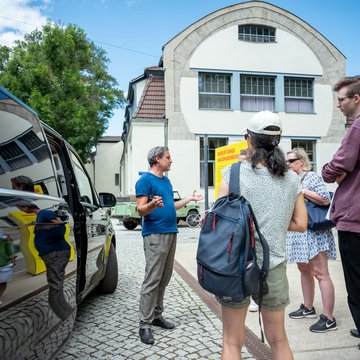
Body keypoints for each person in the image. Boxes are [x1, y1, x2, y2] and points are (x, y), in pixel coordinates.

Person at [217, 110, 307, 360]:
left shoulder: (232, 174)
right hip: (274, 267)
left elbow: (223, 224)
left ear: (249, 139)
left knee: (232, 342)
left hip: (236, 266)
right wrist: (275, 224)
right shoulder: (291, 178)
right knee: (278, 340)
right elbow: (301, 223)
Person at [135, 146, 204, 345]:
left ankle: (156, 316)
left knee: (164, 278)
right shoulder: (145, 181)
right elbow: (141, 210)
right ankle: (144, 324)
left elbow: (171, 206)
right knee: (152, 279)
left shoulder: (165, 181)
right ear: (157, 159)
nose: (171, 160)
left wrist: (189, 199)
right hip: (155, 234)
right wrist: (152, 205)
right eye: (168, 157)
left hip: (170, 232)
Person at [322, 76, 360, 344]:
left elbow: (332, 169)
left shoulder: (357, 127)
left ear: (356, 99)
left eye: (341, 100)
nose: (339, 106)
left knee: (356, 285)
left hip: (354, 219)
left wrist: (332, 171)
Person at [286, 148, 337, 333]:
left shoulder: (311, 177)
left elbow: (325, 199)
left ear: (301, 161)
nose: (288, 164)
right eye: (287, 162)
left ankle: (329, 318)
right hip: (299, 233)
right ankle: (308, 308)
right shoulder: (291, 179)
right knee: (303, 270)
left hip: (314, 233)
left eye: (291, 161)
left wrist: (302, 190)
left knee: (321, 273)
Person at [17, 203, 73, 321]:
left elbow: (57, 224)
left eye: (21, 207)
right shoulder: (41, 215)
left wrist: (57, 223)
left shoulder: (45, 213)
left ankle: (62, 315)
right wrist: (33, 223)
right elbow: (47, 224)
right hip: (55, 253)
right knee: (57, 282)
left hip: (55, 253)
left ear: (27, 207)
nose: (21, 210)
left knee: (55, 284)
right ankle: (66, 311)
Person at [0, 229, 16, 305]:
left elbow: (8, 244)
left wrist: (13, 258)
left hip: (3, 262)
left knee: (3, 282)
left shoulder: (1, 232)